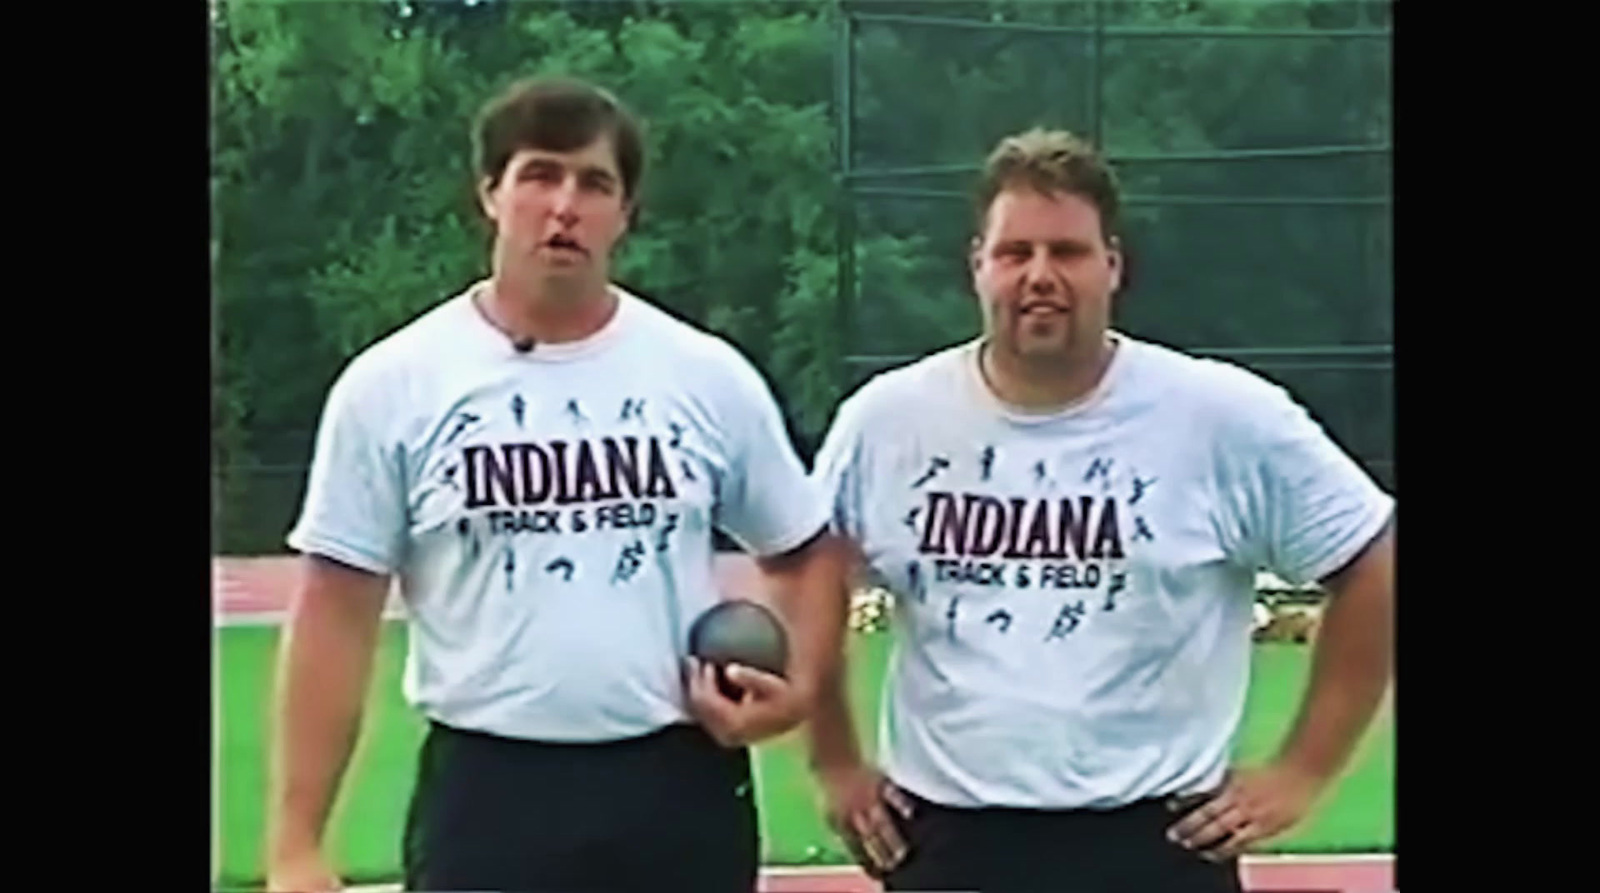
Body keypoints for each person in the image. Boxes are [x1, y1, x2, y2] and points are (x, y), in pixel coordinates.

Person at [264, 76, 848, 893]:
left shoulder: (703, 376)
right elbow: (335, 612)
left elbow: (808, 550)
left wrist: (801, 689)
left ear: (625, 213)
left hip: (676, 780)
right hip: (491, 790)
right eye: (540, 175)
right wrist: (296, 842)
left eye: (594, 183)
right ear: (491, 195)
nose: (564, 205)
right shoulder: (395, 385)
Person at [805, 128, 1395, 893]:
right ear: (977, 265)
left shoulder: (1220, 417)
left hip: (1154, 843)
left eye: (1068, 251)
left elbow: (1374, 556)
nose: (1040, 275)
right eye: (1015, 252)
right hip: (952, 844)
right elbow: (805, 579)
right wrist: (836, 761)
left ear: (1112, 265)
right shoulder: (889, 422)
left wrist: (1303, 770)